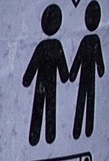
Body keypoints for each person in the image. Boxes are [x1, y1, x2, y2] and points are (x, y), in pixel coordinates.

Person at [23, 4, 70, 146]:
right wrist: (65, 76)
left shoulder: (45, 46)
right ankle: (48, 135)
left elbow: (33, 66)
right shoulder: (55, 46)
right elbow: (63, 69)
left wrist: (27, 79)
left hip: (43, 81)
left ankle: (37, 135)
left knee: (42, 104)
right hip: (49, 82)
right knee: (49, 105)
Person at [70, 1, 106, 139]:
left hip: (87, 76)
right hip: (87, 76)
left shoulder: (91, 40)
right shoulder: (89, 40)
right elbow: (79, 57)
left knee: (87, 100)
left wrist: (72, 74)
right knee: (85, 100)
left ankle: (83, 129)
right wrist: (72, 73)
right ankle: (80, 129)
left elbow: (97, 57)